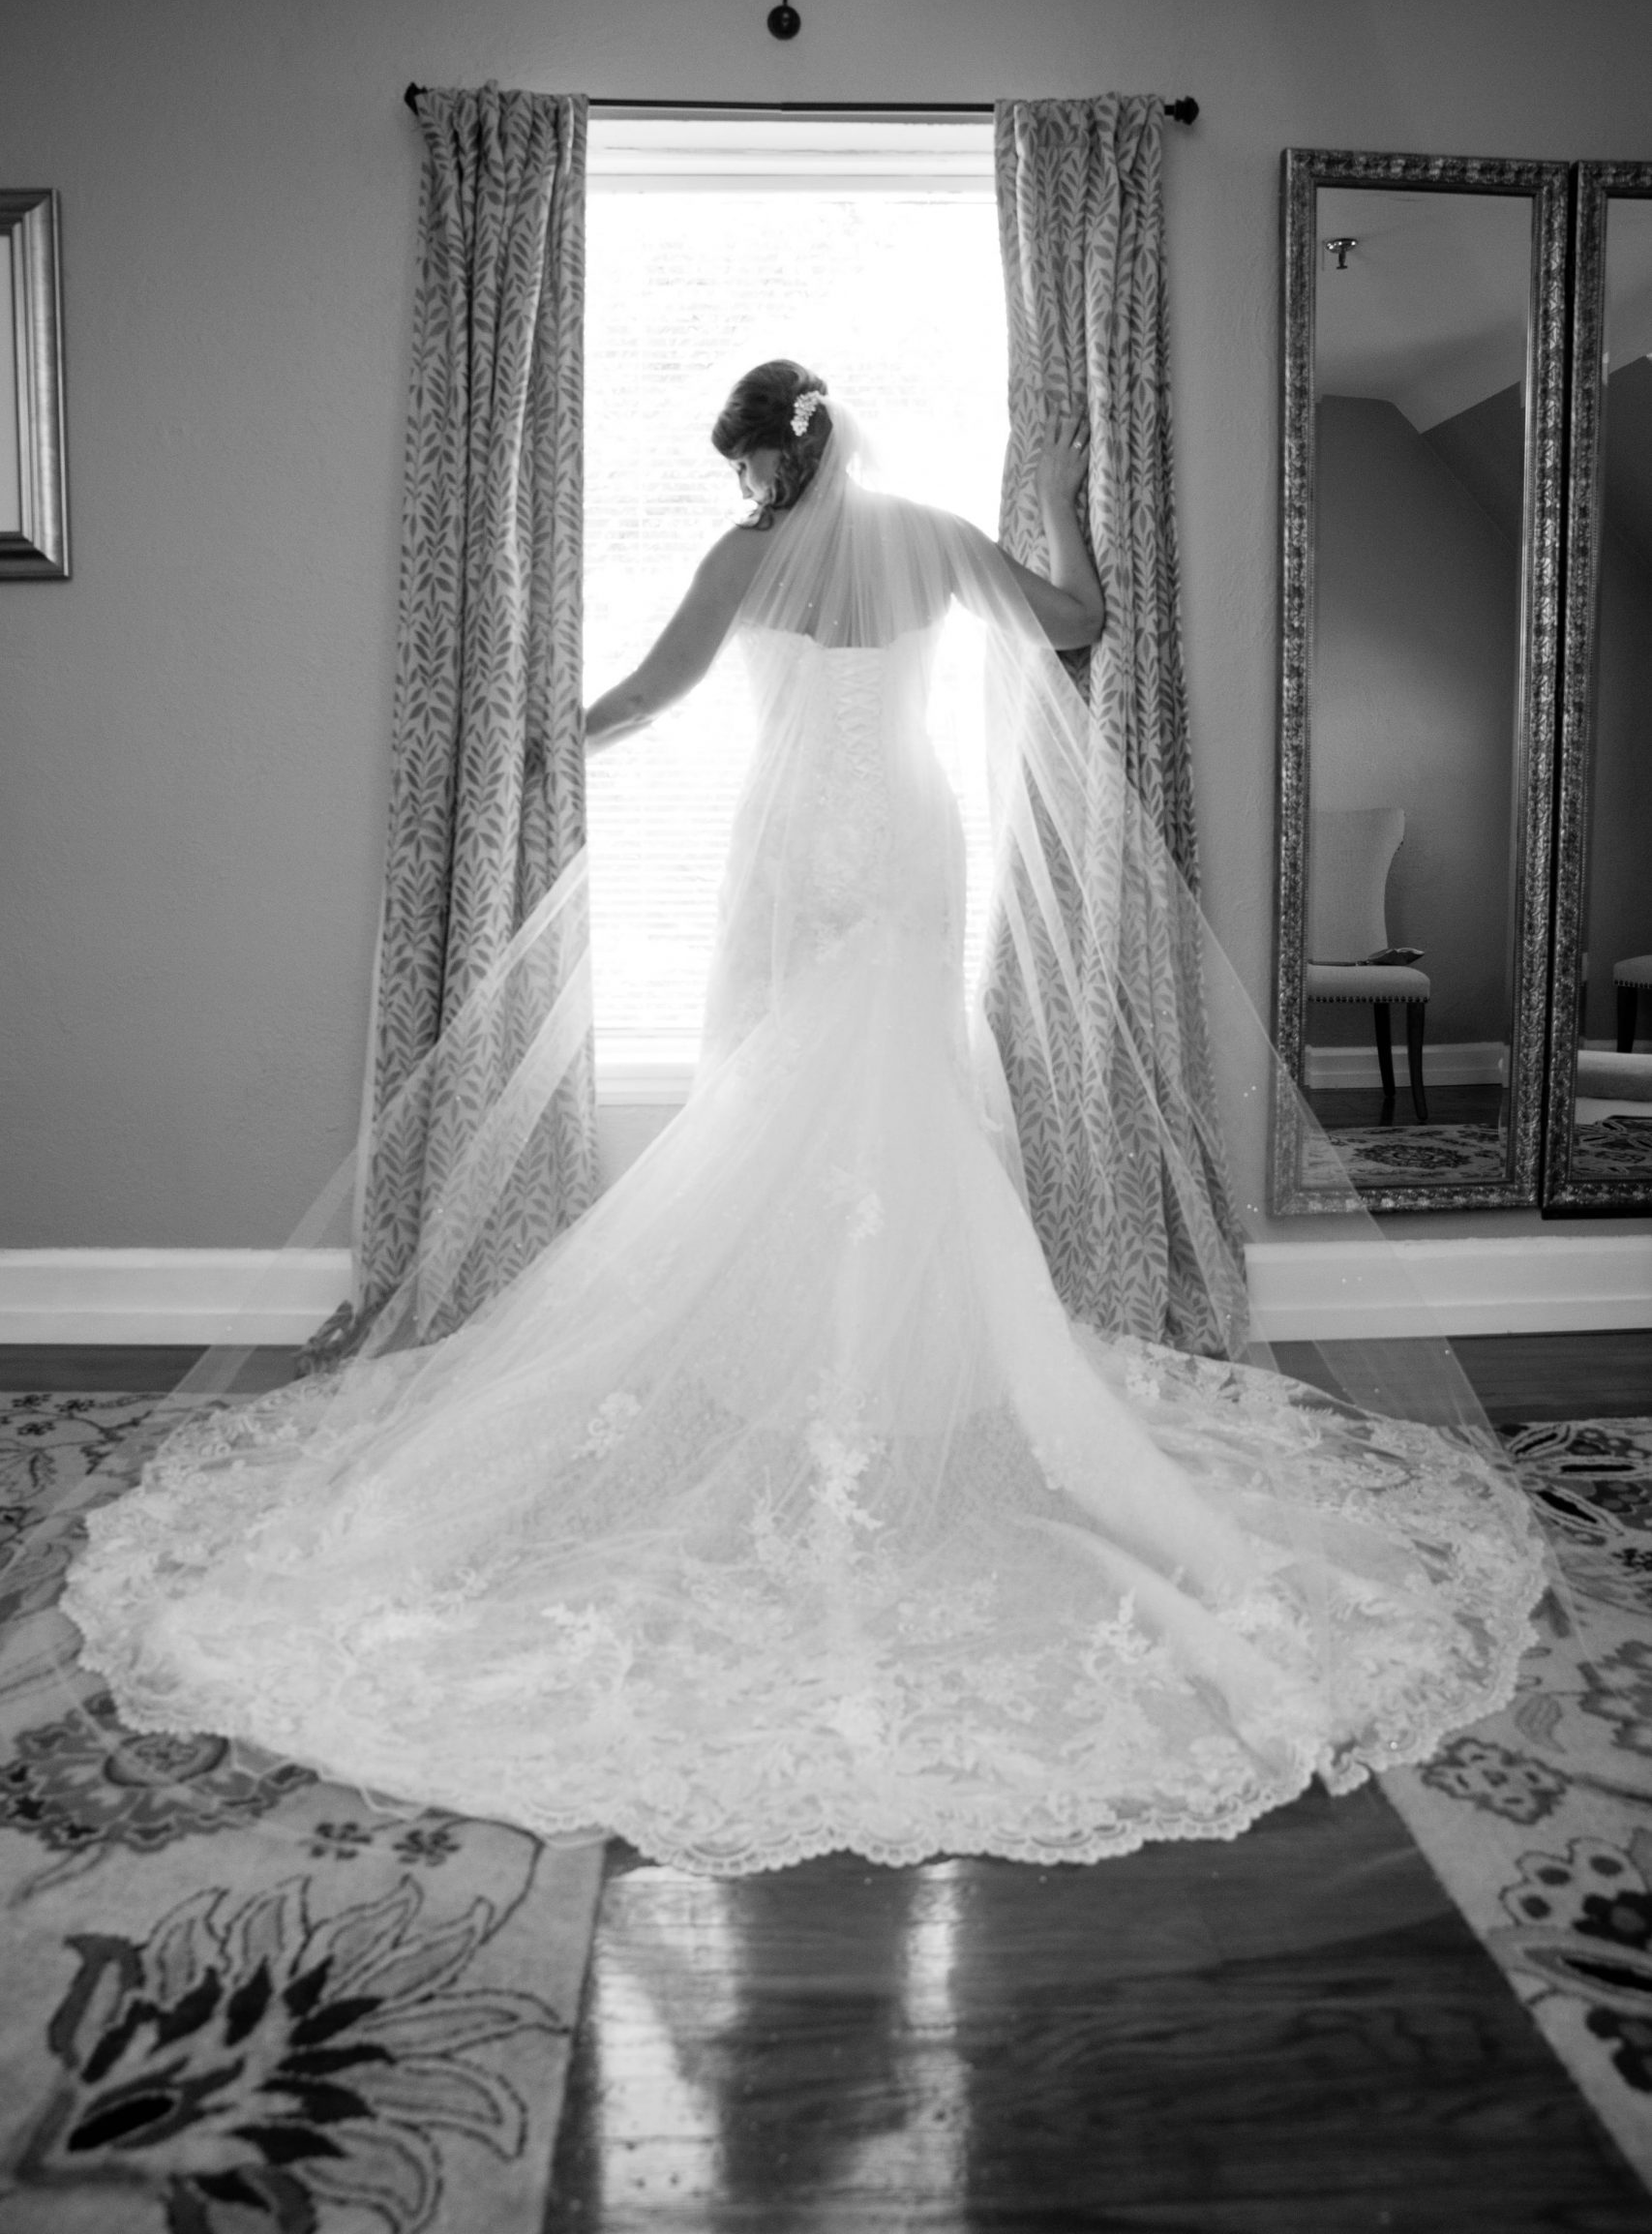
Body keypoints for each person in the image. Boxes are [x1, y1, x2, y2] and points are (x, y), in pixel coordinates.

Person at [64, 361, 1546, 1876]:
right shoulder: (933, 541)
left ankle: (824, 1379)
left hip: (796, 852)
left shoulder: (751, 560)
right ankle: (876, 1378)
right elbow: (1080, 624)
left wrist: (540, 751)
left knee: (788, 1097)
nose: (752, 492)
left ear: (790, 451)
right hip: (904, 836)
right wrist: (1069, 504)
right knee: (887, 1097)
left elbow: (652, 694)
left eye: (756, 466)